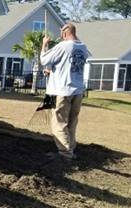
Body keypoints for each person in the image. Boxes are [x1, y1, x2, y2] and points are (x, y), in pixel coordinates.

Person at [40, 23, 91, 160]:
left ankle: (65, 154)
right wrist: (52, 71)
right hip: (78, 91)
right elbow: (67, 64)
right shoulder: (83, 47)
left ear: (64, 33)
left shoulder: (63, 46)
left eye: (61, 33)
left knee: (59, 122)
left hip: (62, 91)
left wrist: (44, 44)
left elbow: (44, 60)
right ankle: (71, 149)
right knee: (71, 122)